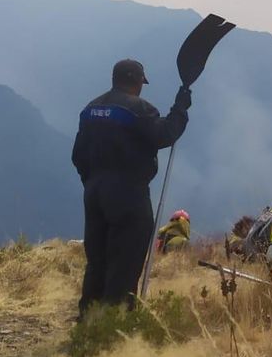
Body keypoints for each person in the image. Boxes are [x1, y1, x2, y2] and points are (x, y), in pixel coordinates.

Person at [72, 58, 191, 316]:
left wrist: (92, 181)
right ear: (138, 82)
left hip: (94, 192)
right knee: (124, 262)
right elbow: (165, 134)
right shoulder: (140, 110)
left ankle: (88, 322)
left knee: (97, 260)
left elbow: (77, 155)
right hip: (129, 193)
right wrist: (181, 108)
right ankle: (114, 327)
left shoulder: (90, 110)